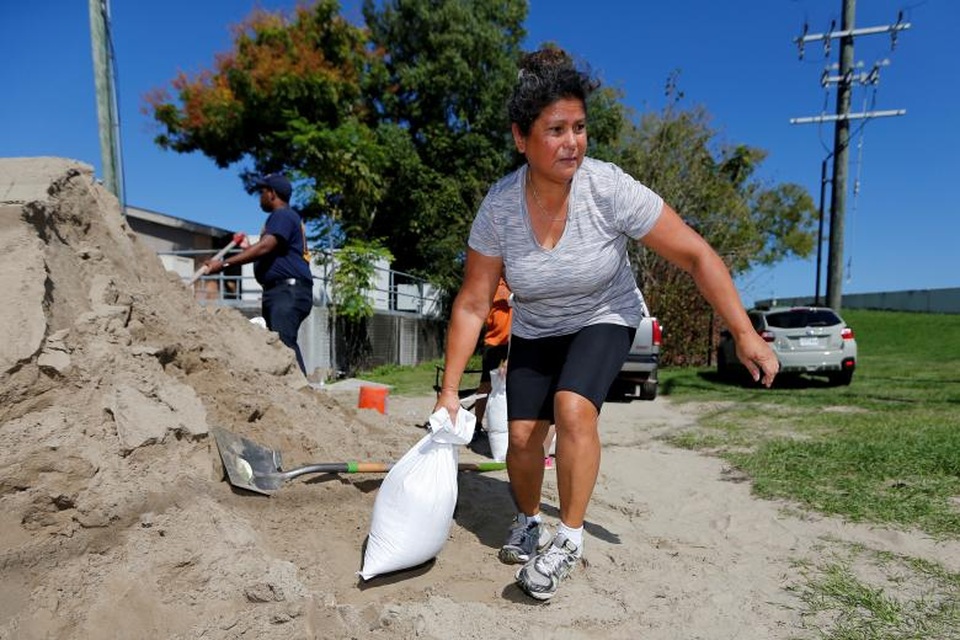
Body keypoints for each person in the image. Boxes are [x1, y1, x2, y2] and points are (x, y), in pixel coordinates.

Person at [433, 48, 778, 601]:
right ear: (521, 138)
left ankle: (568, 538)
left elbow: (695, 254)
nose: (572, 141)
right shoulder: (499, 207)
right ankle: (529, 520)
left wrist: (743, 331)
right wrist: (450, 391)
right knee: (521, 438)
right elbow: (474, 302)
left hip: (605, 313)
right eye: (555, 130)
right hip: (539, 326)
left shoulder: (609, 188)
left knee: (573, 407)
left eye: (579, 127)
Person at [205, 173, 314, 374]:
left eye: (262, 192)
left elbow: (265, 247)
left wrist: (223, 264)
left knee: (283, 345)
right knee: (278, 345)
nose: (260, 197)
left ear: (272, 194)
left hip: (287, 291)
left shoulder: (282, 215)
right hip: (282, 291)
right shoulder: (286, 217)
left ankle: (301, 393)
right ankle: (294, 394)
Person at [473, 276, 512, 430]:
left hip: (515, 342)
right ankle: (477, 423)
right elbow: (510, 298)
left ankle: (506, 427)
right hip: (495, 343)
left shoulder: (515, 281)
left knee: (512, 385)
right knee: (486, 385)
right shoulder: (497, 285)